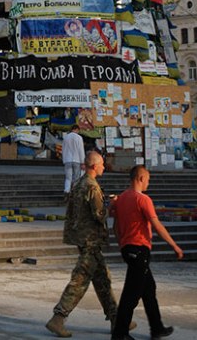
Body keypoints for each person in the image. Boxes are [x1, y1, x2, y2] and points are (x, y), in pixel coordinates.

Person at [46, 151, 119, 338]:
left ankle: (116, 319)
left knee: (103, 278)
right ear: (94, 166)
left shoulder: (78, 183)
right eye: (102, 164)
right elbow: (99, 214)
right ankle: (58, 317)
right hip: (90, 240)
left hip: (81, 237)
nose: (104, 167)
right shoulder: (92, 186)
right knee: (80, 280)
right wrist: (111, 206)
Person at [110, 165, 183, 340]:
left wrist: (122, 244)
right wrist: (174, 246)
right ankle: (120, 334)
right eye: (148, 179)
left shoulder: (121, 199)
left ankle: (157, 328)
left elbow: (115, 226)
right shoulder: (142, 199)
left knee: (148, 289)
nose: (148, 183)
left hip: (128, 249)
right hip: (139, 249)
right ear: (141, 178)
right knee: (131, 294)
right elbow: (157, 225)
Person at [61, 124, 85, 199]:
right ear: (77, 129)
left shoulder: (66, 137)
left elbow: (63, 149)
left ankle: (67, 191)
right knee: (76, 178)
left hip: (67, 160)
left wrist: (64, 160)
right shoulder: (79, 138)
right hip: (76, 160)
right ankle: (75, 192)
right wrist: (83, 161)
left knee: (68, 177)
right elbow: (81, 150)